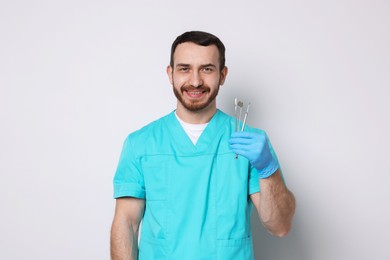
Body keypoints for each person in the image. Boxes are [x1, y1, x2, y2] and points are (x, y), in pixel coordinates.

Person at [110, 31, 296, 260]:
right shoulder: (141, 144)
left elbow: (280, 226)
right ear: (171, 74)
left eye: (207, 69)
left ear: (222, 75)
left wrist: (269, 170)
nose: (196, 81)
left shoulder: (249, 142)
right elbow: (126, 224)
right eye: (184, 68)